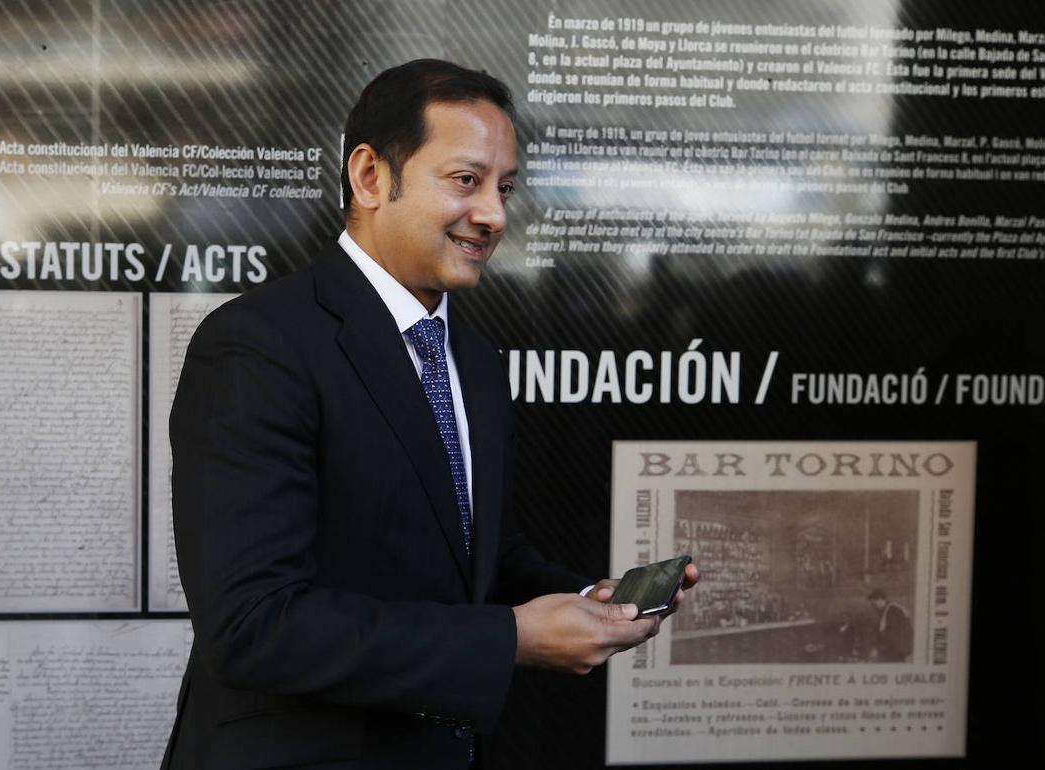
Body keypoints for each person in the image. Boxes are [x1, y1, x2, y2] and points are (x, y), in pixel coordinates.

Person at [161, 59, 698, 769]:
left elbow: (470, 557)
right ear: (371, 176)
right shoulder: (260, 343)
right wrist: (512, 638)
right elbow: (255, 625)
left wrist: (582, 600)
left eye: (505, 188)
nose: (495, 216)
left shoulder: (471, 358)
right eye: (466, 181)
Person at [867, 588, 912, 662]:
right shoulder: (886, 611)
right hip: (892, 648)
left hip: (897, 650)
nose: (873, 607)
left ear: (880, 599)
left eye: (874, 604)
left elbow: (891, 633)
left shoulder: (893, 610)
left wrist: (878, 649)